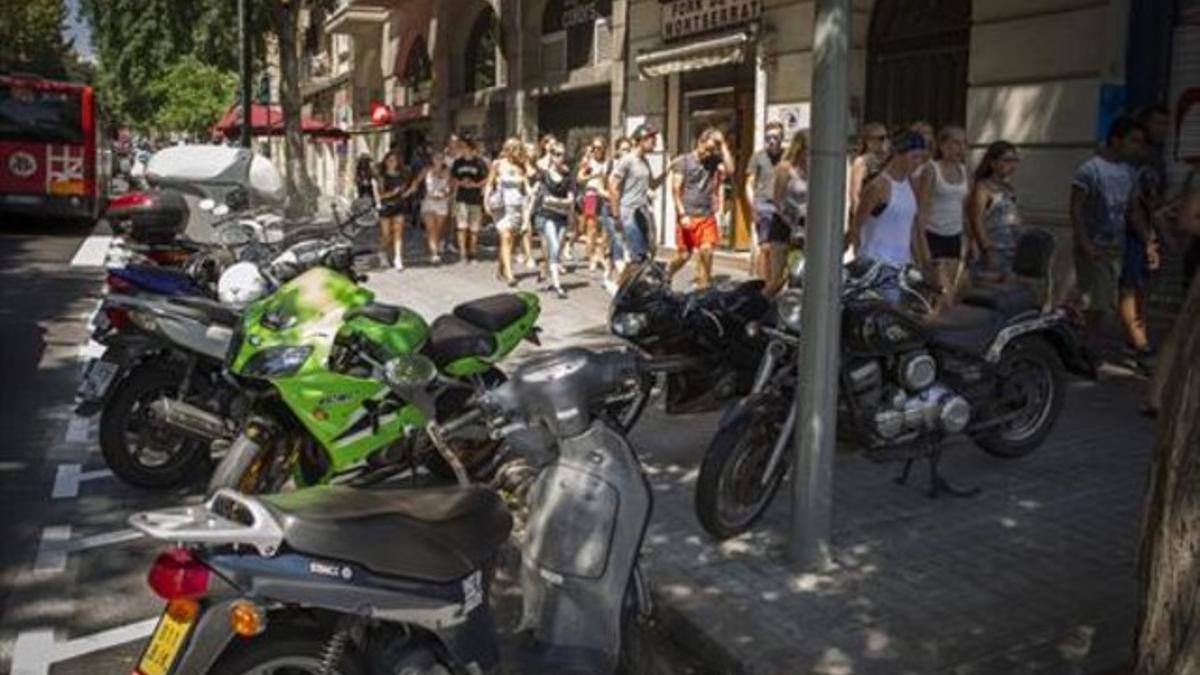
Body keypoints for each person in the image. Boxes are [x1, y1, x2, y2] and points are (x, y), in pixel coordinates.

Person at [1069, 115, 1148, 359]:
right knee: (1100, 302)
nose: (1138, 147)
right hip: (1094, 246)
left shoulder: (1129, 173)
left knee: (1097, 299)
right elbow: (1076, 209)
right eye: (1133, 141)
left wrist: (1148, 241)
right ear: (1116, 140)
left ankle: (1077, 337)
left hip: (1116, 246)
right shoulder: (1089, 170)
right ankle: (1083, 346)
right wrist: (1085, 243)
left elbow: (1132, 210)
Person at [847, 131, 933, 306]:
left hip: (903, 267)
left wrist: (925, 264)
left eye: (920, 158)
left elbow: (914, 229)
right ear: (899, 155)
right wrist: (858, 258)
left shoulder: (910, 184)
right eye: (913, 157)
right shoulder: (878, 186)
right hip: (878, 268)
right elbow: (857, 224)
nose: (917, 163)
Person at [1119, 105, 1171, 371]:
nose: (1163, 129)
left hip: (1142, 231)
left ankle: (1135, 340)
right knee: (1131, 289)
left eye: (1166, 123)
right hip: (1133, 233)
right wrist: (1151, 238)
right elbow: (1139, 204)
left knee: (1142, 291)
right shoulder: (1142, 159)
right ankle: (1141, 346)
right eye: (1157, 123)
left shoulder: (1154, 157)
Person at [668, 127, 732, 290]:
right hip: (688, 214)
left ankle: (704, 287)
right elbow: (676, 190)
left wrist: (723, 144)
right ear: (699, 143)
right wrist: (682, 214)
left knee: (707, 251)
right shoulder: (684, 161)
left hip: (706, 215)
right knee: (684, 256)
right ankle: (667, 273)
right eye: (707, 148)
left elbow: (730, 170)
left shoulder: (714, 160)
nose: (709, 153)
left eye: (713, 149)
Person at [917, 125, 969, 309]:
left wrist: (969, 240)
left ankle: (940, 330)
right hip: (933, 234)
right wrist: (923, 249)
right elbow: (922, 209)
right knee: (941, 292)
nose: (960, 148)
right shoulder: (932, 170)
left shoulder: (964, 171)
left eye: (964, 143)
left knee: (949, 295)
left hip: (953, 236)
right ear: (942, 145)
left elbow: (964, 208)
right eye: (955, 143)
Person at [609, 124, 673, 274]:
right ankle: (620, 289)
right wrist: (616, 215)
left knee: (647, 252)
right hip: (629, 213)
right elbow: (613, 187)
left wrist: (668, 171)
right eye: (652, 138)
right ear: (642, 139)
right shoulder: (627, 160)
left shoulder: (645, 161)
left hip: (642, 211)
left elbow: (652, 184)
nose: (655, 142)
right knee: (637, 256)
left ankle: (628, 289)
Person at [966, 141, 1021, 281]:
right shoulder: (983, 187)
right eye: (1007, 160)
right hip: (993, 250)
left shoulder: (1009, 188)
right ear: (993, 163)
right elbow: (976, 219)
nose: (1012, 165)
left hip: (1012, 249)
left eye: (1015, 160)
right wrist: (987, 249)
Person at [767, 129, 810, 295]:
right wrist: (792, 224)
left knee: (798, 274)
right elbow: (777, 200)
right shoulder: (785, 168)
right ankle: (760, 309)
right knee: (777, 279)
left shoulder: (813, 169)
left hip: (804, 227)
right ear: (799, 148)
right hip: (783, 226)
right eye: (808, 150)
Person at [485, 138, 531, 287]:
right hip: (501, 206)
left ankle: (501, 268)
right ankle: (510, 275)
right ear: (510, 150)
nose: (519, 152)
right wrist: (486, 202)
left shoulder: (521, 166)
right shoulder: (497, 164)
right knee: (505, 237)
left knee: (511, 240)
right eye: (517, 149)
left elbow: (525, 189)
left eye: (520, 149)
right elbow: (489, 184)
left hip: (516, 206)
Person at [533, 141, 576, 299]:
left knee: (556, 251)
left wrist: (553, 201)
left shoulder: (568, 176)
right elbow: (535, 193)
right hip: (547, 215)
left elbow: (570, 199)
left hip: (562, 216)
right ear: (550, 155)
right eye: (556, 154)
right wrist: (527, 215)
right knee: (555, 246)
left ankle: (553, 278)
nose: (560, 157)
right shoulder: (544, 174)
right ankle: (558, 286)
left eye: (562, 154)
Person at [747, 121, 787, 279]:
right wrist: (753, 207)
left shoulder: (787, 156)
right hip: (763, 205)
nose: (772, 141)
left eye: (776, 137)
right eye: (768, 137)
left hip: (782, 208)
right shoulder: (758, 156)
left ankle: (775, 282)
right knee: (765, 247)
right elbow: (749, 183)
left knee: (779, 247)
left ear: (781, 138)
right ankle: (764, 283)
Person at [377, 150, 421, 271]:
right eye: (389, 160)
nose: (392, 163)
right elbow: (380, 195)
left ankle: (398, 258)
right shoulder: (382, 177)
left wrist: (410, 190)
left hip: (399, 206)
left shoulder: (402, 175)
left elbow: (403, 194)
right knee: (386, 235)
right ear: (385, 162)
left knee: (398, 233)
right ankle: (382, 252)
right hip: (385, 206)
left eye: (394, 160)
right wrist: (392, 193)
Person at [450, 137, 489, 263]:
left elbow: (487, 178)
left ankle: (472, 252)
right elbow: (452, 177)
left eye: (464, 147)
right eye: (461, 147)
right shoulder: (458, 162)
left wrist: (475, 185)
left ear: (471, 148)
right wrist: (460, 182)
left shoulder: (479, 163)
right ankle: (462, 254)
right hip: (461, 198)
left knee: (474, 228)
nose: (462, 149)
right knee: (462, 227)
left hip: (475, 198)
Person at [577, 135, 612, 274]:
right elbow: (580, 179)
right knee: (591, 228)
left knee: (606, 228)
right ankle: (591, 257)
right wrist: (593, 176)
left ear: (604, 148)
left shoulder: (608, 162)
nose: (597, 150)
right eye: (594, 147)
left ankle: (601, 254)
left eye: (599, 147)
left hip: (604, 195)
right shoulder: (589, 162)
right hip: (591, 194)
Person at [849, 122, 891, 221]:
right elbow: (855, 194)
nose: (885, 142)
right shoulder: (862, 162)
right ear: (869, 141)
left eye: (886, 137)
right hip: (868, 215)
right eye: (881, 138)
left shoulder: (887, 161)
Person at [420, 150, 451, 265]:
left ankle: (437, 245)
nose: (438, 160)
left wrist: (445, 194)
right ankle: (434, 253)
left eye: (441, 158)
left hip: (442, 202)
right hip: (429, 202)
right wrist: (406, 193)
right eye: (436, 158)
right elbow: (416, 183)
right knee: (430, 228)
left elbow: (450, 188)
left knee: (439, 228)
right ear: (432, 159)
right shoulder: (426, 170)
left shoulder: (447, 172)